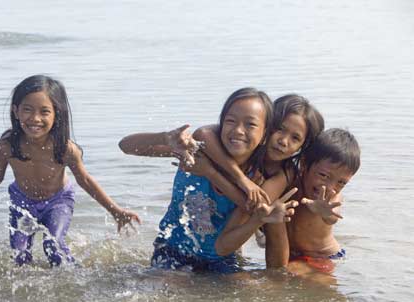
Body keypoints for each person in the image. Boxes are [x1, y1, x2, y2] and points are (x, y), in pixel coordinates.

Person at [0, 74, 141, 266]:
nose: (35, 118)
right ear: (16, 111)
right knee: (19, 254)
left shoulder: (66, 149)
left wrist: (116, 211)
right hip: (22, 201)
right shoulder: (7, 146)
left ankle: (71, 283)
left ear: (56, 114)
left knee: (54, 247)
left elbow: (85, 180)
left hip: (58, 201)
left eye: (44, 111)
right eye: (27, 109)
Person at [119, 87, 297, 273]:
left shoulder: (258, 180)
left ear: (264, 136)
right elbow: (126, 146)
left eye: (250, 125)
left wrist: (213, 173)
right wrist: (165, 137)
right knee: (168, 285)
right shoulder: (196, 153)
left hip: (220, 259)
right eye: (230, 121)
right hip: (173, 251)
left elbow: (246, 211)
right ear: (220, 125)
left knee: (251, 291)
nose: (238, 130)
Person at [191, 95, 324, 261]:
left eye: (295, 138)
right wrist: (241, 178)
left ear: (303, 146)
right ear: (266, 124)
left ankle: (277, 277)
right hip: (227, 222)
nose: (283, 141)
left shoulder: (285, 172)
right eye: (279, 129)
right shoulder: (245, 143)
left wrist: (210, 173)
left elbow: (253, 205)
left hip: (270, 220)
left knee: (275, 219)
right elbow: (202, 134)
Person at [281, 128, 361, 273]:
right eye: (324, 175)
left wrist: (325, 212)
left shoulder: (332, 198)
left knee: (286, 274)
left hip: (323, 256)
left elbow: (333, 216)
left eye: (341, 182)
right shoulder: (292, 182)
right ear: (304, 164)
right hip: (295, 255)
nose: (330, 187)